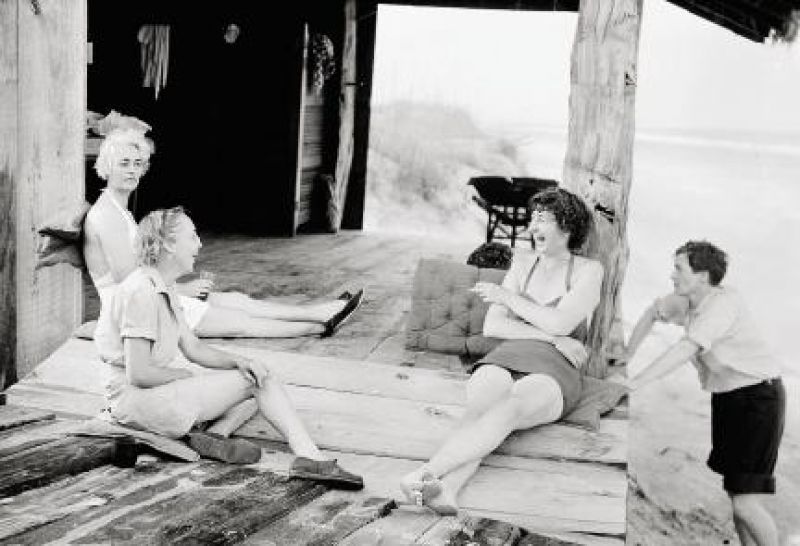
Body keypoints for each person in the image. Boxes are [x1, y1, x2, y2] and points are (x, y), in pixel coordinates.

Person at [94, 206, 364, 488]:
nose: (199, 244)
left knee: (253, 377)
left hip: (149, 396)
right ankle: (311, 458)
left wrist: (239, 361)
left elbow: (194, 348)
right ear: (168, 245)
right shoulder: (141, 291)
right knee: (261, 383)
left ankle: (212, 435)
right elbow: (139, 374)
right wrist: (188, 378)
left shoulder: (165, 286)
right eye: (192, 236)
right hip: (135, 402)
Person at [399, 187, 604, 514]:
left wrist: (509, 298)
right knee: (481, 409)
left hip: (557, 367)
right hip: (511, 353)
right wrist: (551, 337)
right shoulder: (523, 263)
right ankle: (447, 490)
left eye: (542, 220)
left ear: (566, 225)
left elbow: (562, 323)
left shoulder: (588, 270)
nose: (532, 228)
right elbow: (494, 326)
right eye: (531, 220)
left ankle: (425, 473)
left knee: (509, 409)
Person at [83, 128, 363, 340]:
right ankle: (320, 323)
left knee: (237, 301)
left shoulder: (120, 211)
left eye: (137, 163)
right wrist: (179, 289)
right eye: (124, 164)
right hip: (133, 311)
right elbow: (129, 286)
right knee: (240, 321)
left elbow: (140, 274)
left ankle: (321, 310)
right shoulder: (106, 216)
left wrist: (175, 282)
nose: (132, 171)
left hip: (147, 297)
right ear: (107, 166)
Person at [619, 241, 785, 546]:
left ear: (703, 275)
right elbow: (651, 313)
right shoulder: (686, 300)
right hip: (728, 400)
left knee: (746, 504)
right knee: (736, 494)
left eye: (679, 268)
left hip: (758, 400)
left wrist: (635, 382)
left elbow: (686, 348)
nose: (672, 275)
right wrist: (629, 353)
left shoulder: (723, 304)